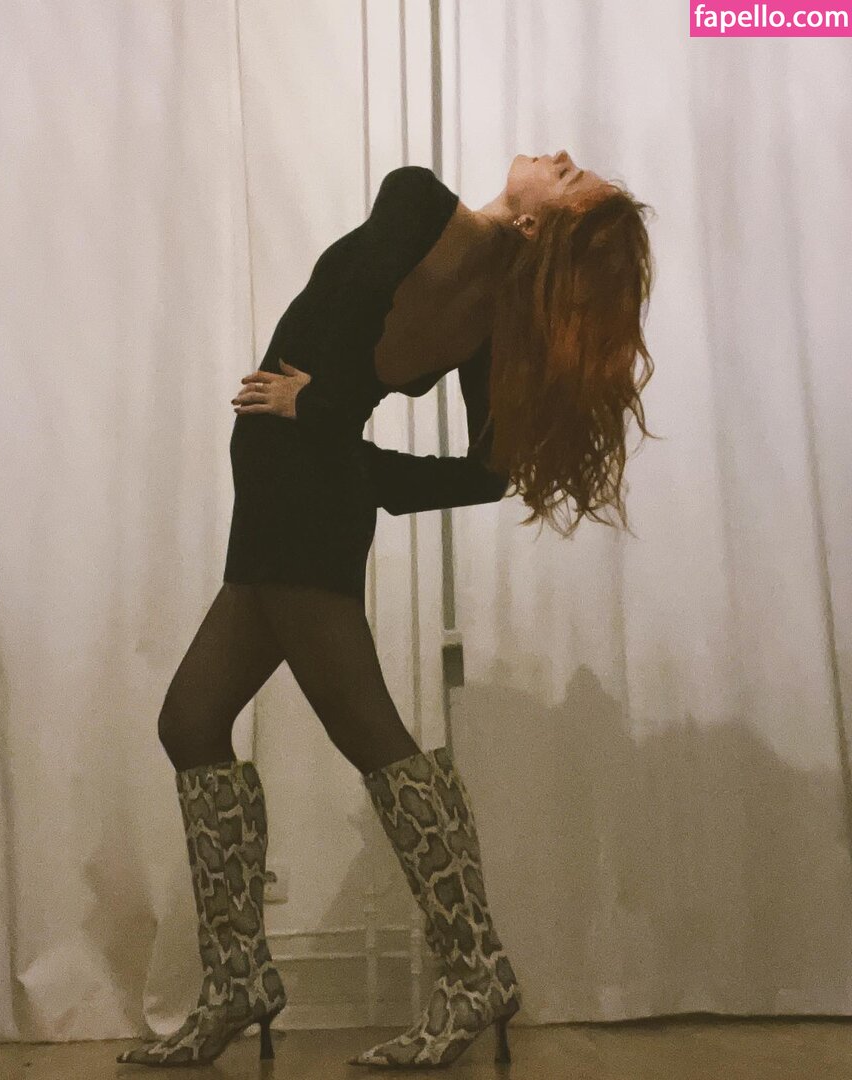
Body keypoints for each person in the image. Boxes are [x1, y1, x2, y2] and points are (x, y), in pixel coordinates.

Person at [116, 153, 656, 1068]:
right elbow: (486, 469)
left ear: (535, 226)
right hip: (286, 506)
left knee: (374, 738)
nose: (560, 158)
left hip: (299, 509)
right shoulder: (487, 316)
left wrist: (328, 419)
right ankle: (239, 978)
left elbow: (357, 343)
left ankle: (475, 969)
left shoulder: (418, 202)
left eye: (570, 179)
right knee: (191, 720)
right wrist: (358, 465)